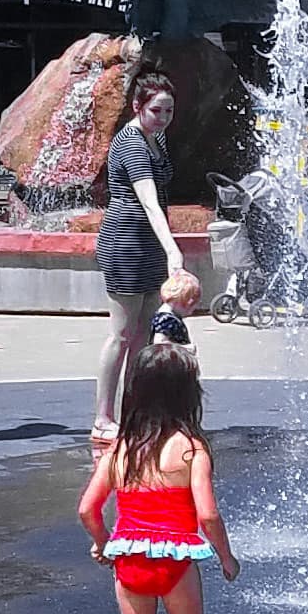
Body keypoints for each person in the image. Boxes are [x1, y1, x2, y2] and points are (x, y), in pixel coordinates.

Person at [78, 344, 240, 614]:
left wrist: (103, 541)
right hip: (176, 561)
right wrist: (226, 557)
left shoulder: (121, 449)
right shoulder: (191, 448)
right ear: (188, 393)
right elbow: (207, 514)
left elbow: (87, 508)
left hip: (129, 557)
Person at [93, 72, 184, 465]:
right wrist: (173, 249)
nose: (163, 117)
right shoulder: (131, 143)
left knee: (145, 336)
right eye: (155, 110)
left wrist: (163, 248)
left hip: (148, 246)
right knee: (121, 334)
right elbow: (147, 200)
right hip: (125, 243)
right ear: (137, 107)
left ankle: (134, 412)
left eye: (168, 111)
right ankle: (102, 417)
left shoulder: (156, 138)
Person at [150, 269, 201, 356]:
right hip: (168, 363)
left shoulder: (164, 315)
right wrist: (184, 348)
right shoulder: (167, 319)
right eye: (191, 305)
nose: (192, 310)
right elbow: (159, 343)